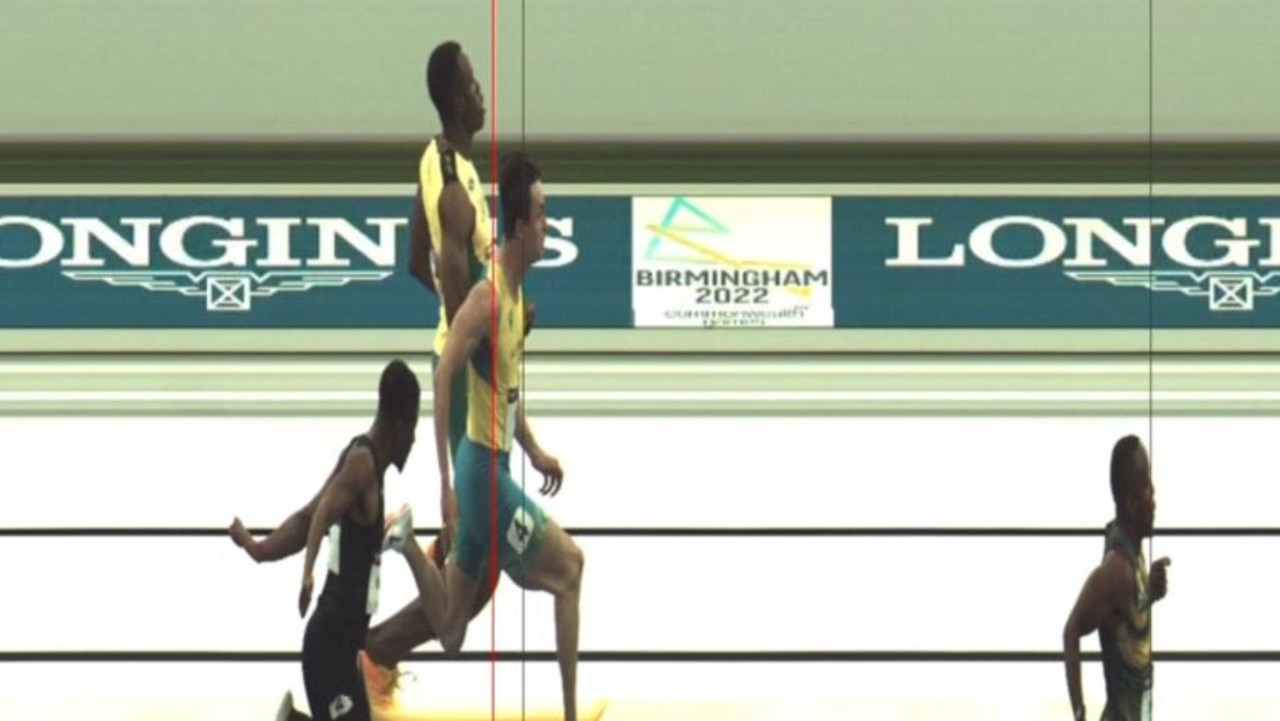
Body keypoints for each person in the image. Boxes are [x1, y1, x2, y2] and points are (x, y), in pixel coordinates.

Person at [431, 150, 585, 721]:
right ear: (520, 223)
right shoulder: (490, 297)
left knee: (450, 632)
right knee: (570, 569)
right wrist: (447, 485)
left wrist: (537, 450)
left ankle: (401, 549)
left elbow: (505, 392)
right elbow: (445, 372)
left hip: (487, 467)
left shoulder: (518, 300)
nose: (549, 225)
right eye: (543, 213)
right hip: (481, 479)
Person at [258, 359, 448, 721]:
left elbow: (305, 516)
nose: (414, 439)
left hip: (343, 647)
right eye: (414, 427)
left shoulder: (365, 462)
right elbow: (320, 516)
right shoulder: (361, 465)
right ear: (400, 423)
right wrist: (307, 571)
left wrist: (261, 550)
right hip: (329, 647)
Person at [1062, 435, 1172, 721]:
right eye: (1147, 485)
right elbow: (1071, 630)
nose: (1155, 495)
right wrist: (1079, 713)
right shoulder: (1116, 571)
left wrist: (1150, 593)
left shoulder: (1135, 554)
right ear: (1130, 501)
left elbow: (1125, 617)